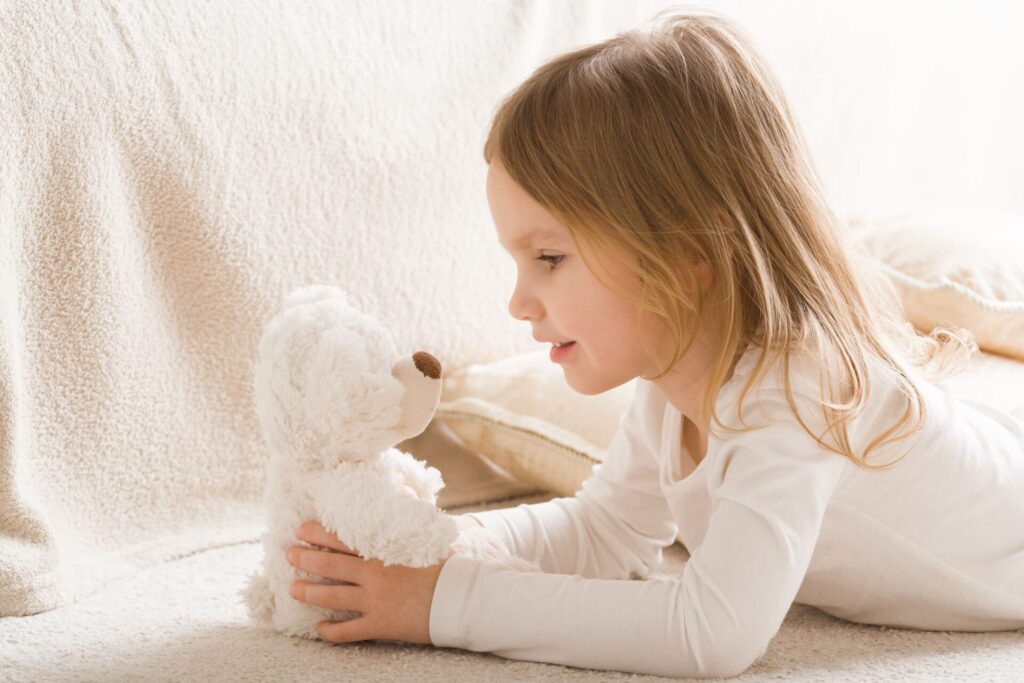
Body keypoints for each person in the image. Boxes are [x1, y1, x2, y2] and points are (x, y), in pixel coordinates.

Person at [284, 9, 1024, 678]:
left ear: (687, 255)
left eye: (549, 258)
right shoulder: (677, 378)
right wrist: (436, 544)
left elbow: (712, 632)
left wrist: (443, 605)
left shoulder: (797, 387)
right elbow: (606, 531)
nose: (518, 301)